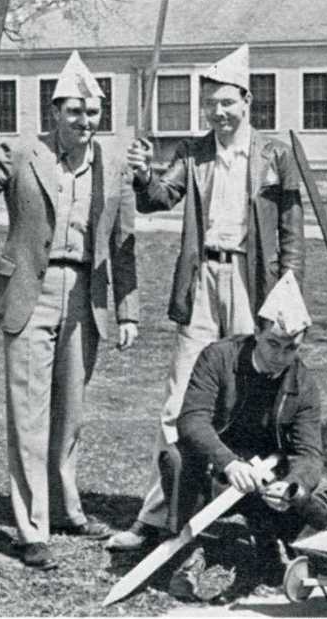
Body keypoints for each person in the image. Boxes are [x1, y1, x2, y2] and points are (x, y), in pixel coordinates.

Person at [0, 51, 139, 570]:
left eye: (93, 113)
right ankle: (31, 529)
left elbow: (126, 243)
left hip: (86, 296)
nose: (85, 122)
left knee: (70, 414)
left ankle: (66, 509)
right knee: (29, 414)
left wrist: (128, 310)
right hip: (31, 293)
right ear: (55, 112)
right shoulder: (22, 153)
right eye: (75, 112)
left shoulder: (114, 165)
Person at [107, 44, 305, 551]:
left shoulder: (273, 155)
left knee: (252, 396)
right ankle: (158, 515)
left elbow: (291, 232)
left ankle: (265, 510)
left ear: (247, 102)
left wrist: (285, 290)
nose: (218, 112)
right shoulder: (193, 154)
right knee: (179, 400)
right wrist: (143, 171)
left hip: (251, 285)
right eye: (211, 103)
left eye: (227, 102)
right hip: (201, 282)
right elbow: (156, 199)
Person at [162, 271, 327, 601]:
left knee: (317, 534)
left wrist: (293, 487)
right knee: (174, 457)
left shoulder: (303, 384)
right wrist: (229, 464)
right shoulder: (218, 357)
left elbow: (309, 454)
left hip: (268, 475)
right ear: (257, 333)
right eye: (273, 343)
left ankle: (270, 540)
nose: (280, 355)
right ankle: (189, 550)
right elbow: (191, 421)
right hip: (217, 464)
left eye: (291, 348)